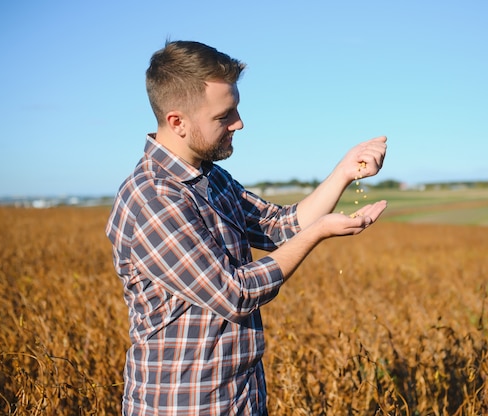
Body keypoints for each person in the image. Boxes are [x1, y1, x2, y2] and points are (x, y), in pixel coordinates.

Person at [105, 40, 387, 416]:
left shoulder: (214, 179)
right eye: (225, 115)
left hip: (240, 399)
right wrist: (318, 233)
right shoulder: (152, 199)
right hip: (184, 404)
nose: (239, 122)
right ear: (177, 122)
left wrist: (344, 172)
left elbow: (280, 226)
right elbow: (234, 294)